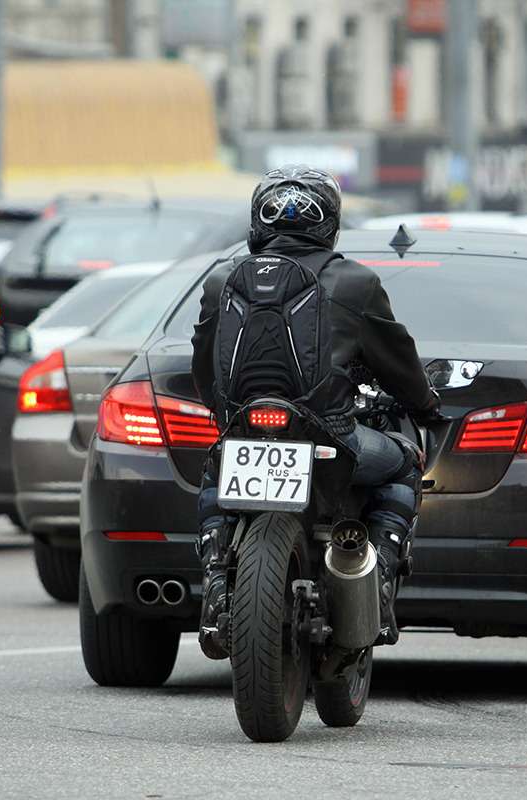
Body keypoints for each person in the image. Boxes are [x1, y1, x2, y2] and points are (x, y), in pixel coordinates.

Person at [190, 164, 440, 659]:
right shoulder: (355, 282)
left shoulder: (223, 280)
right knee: (403, 462)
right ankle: (381, 577)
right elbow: (398, 363)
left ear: (259, 222)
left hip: (245, 428)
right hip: (331, 436)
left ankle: (218, 575)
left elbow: (204, 366)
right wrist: (425, 404)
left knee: (215, 470)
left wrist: (225, 415)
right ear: (329, 222)